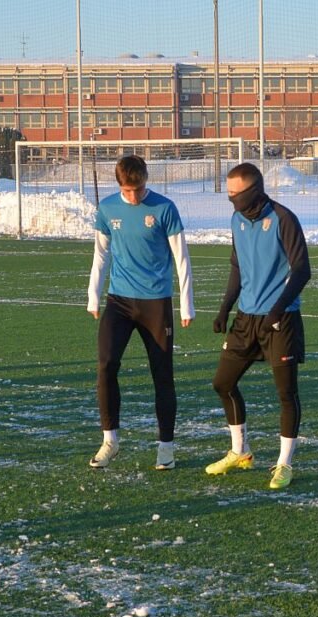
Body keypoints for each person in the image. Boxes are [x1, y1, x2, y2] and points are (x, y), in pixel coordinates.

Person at [206, 162, 311, 490]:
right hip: (246, 318)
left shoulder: (283, 218)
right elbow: (238, 267)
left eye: (235, 194)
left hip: (281, 319)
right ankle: (240, 451)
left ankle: (284, 464)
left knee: (286, 393)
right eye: (228, 194)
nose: (231, 200)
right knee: (223, 383)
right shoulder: (236, 219)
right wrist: (225, 308)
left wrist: (277, 310)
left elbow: (302, 270)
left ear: (253, 191)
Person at [87, 154, 194, 470]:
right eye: (128, 191)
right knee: (106, 365)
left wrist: (186, 303)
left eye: (139, 189)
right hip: (119, 301)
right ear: (119, 185)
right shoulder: (108, 209)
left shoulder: (164, 208)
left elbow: (182, 258)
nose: (134, 196)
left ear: (146, 180)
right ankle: (110, 440)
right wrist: (93, 296)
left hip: (155, 303)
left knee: (162, 374)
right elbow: (101, 254)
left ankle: (166, 447)